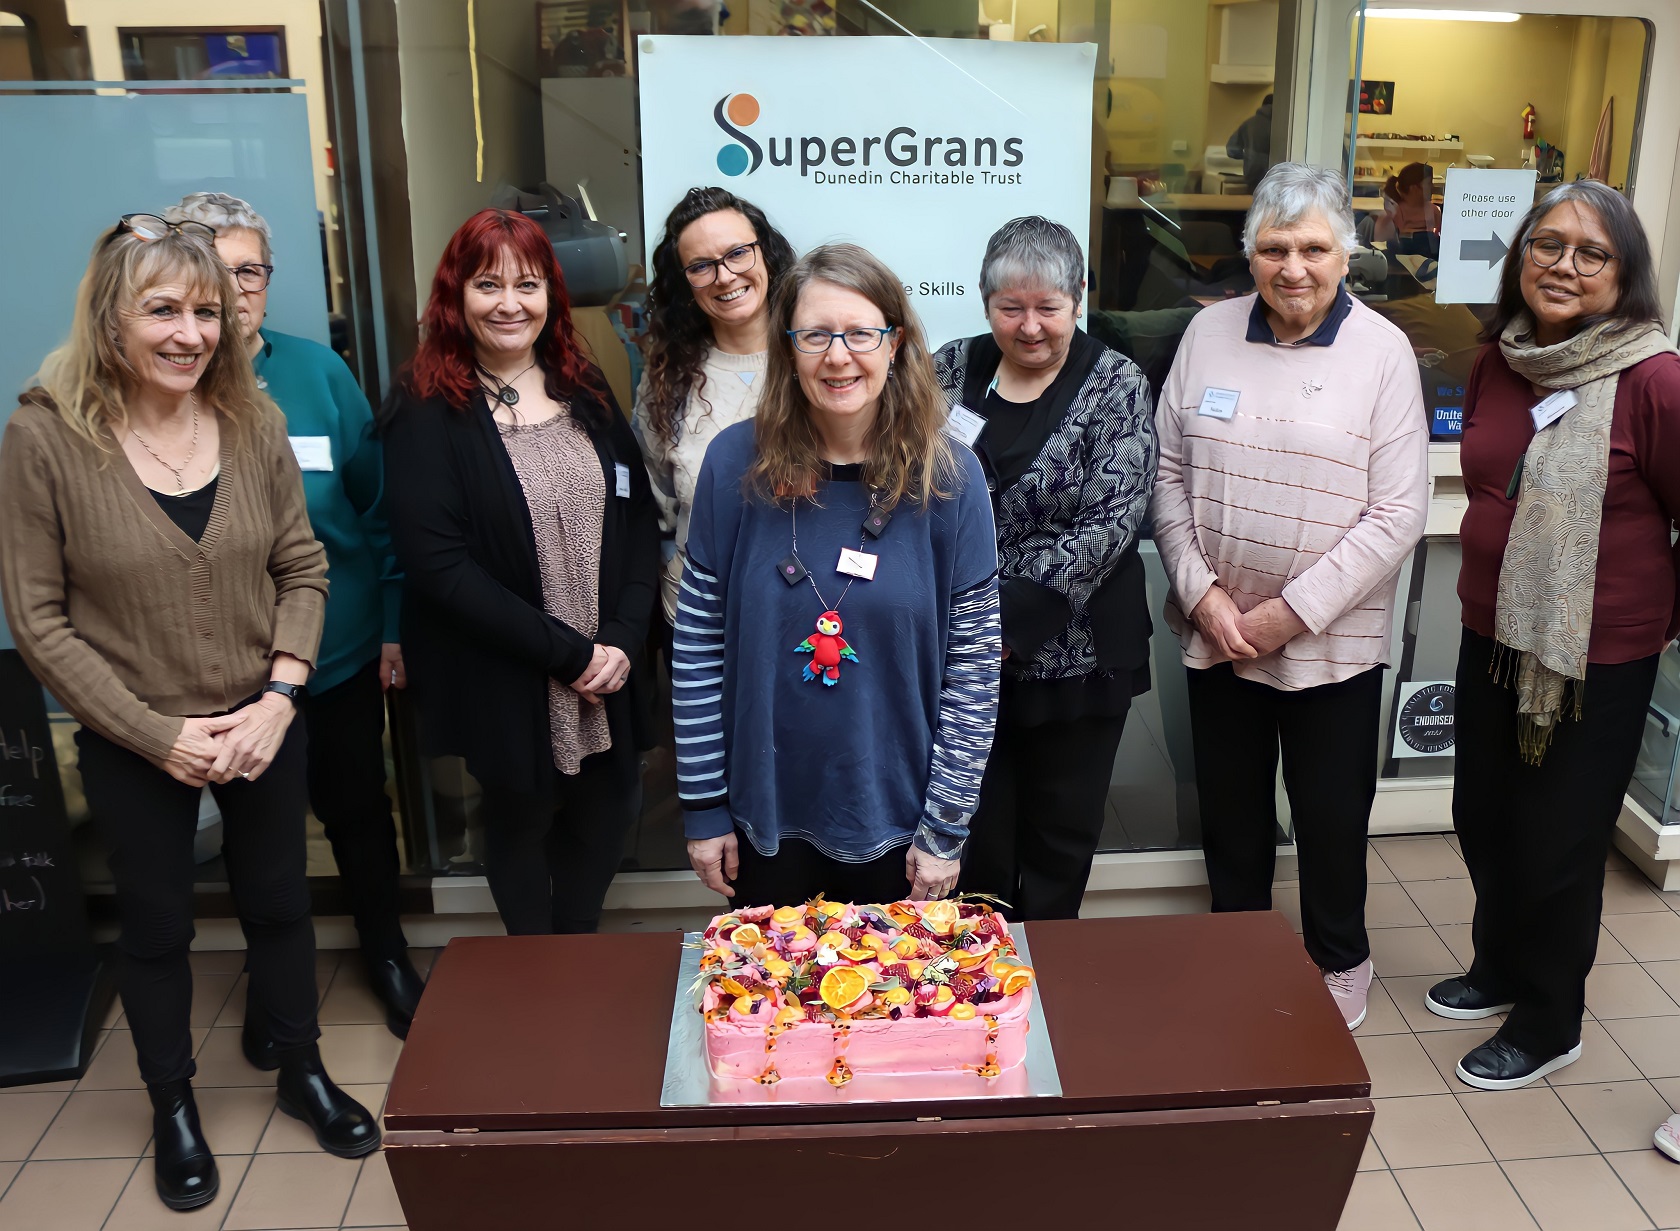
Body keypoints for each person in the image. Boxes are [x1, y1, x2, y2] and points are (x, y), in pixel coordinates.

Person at [0, 215, 380, 1212]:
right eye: (161, 309)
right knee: (161, 931)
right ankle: (172, 1104)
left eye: (205, 310)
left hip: (261, 722)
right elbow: (38, 621)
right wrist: (155, 733)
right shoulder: (45, 434)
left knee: (281, 908)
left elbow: (302, 564)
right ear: (109, 317)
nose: (188, 332)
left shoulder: (249, 419)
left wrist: (280, 694)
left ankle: (300, 1069)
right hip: (137, 742)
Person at [1151, 162, 1428, 1031]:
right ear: (1249, 253)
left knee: (1329, 815)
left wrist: (1287, 615)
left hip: (1329, 645)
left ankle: (1340, 959)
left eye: (1314, 246)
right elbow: (1165, 472)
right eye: (1274, 248)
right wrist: (1204, 599)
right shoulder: (1208, 336)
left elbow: (1399, 512)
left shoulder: (1382, 352)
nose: (1293, 267)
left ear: (1348, 252)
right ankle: (1238, 943)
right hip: (1220, 635)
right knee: (1231, 814)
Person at [1423, 181, 1680, 1091]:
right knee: (1484, 816)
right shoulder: (1505, 358)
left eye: (1591, 252)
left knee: (1558, 841)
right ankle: (1497, 966)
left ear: (1625, 273)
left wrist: (1647, 620)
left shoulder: (1653, 378)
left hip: (1594, 658)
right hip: (1494, 632)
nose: (1563, 265)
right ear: (1520, 256)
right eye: (1547, 244)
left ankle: (1548, 1016)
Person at [166, 191, 424, 1044]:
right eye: (213, 267)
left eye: (251, 271)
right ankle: (278, 987)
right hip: (225, 675)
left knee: (357, 811)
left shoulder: (318, 374)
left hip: (339, 654)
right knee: (259, 841)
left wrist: (391, 620)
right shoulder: (158, 389)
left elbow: (379, 509)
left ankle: (387, 952)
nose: (235, 289)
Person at [675, 243, 1000, 907]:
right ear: (787, 347)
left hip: (901, 829)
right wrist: (704, 807)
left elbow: (974, 671)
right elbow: (698, 648)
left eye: (860, 332)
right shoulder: (734, 465)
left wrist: (944, 830)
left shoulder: (949, 479)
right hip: (761, 825)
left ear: (896, 342)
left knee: (888, 1009)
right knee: (773, 1006)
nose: (838, 354)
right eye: (815, 334)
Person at [382, 208, 659, 935]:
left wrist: (625, 636)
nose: (510, 303)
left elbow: (633, 517)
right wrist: (568, 654)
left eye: (527, 284)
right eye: (487, 284)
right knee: (520, 819)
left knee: (611, 810)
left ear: (550, 295)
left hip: (608, 663)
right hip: (508, 668)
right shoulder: (424, 407)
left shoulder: (581, 383)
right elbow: (440, 567)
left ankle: (574, 946)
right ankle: (535, 968)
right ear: (455, 296)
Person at [933, 217, 1157, 919]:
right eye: (1011, 308)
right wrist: (972, 629)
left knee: (1060, 840)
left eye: (1048, 308)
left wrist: (1006, 621)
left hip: (1079, 657)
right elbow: (910, 489)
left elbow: (1111, 520)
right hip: (962, 658)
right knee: (975, 837)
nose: (1030, 327)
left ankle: (1047, 985)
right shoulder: (946, 369)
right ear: (984, 300)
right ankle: (979, 990)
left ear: (1079, 298)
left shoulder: (1117, 382)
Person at [633, 186, 796, 630]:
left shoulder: (820, 358)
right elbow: (656, 502)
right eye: (701, 266)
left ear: (767, 253)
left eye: (738, 253)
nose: (724, 277)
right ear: (684, 281)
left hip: (807, 622)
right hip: (696, 617)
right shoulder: (666, 378)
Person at [1372, 162, 1441, 244]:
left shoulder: (1434, 210)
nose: (1432, 187)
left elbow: (1438, 235)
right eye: (1429, 183)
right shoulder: (1397, 211)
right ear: (1414, 188)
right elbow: (1395, 240)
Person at [1226, 94, 1274, 193]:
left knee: (1252, 205)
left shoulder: (1249, 123)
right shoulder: (1284, 125)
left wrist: (1250, 156)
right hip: (1275, 179)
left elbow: (1231, 150)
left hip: (1253, 177)